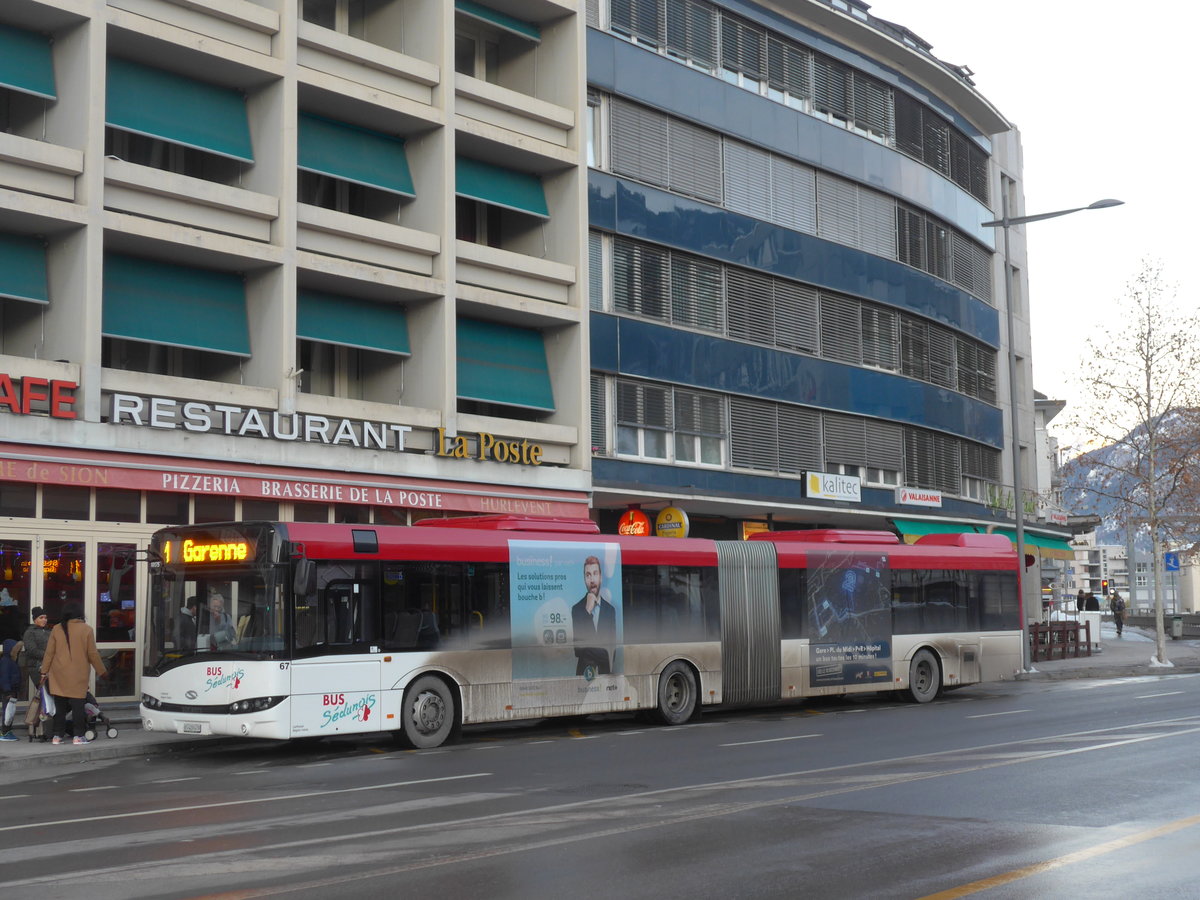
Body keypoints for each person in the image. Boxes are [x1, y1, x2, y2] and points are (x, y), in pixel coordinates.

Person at [39, 601, 106, 745]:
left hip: (59, 675)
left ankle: (57, 736)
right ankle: (78, 736)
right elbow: (92, 654)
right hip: (78, 675)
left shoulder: (57, 629)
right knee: (78, 708)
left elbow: (49, 653)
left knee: (60, 708)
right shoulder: (86, 630)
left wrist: (44, 672)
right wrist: (102, 671)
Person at [571, 556, 617, 676]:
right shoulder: (577, 610)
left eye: (595, 573)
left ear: (601, 577)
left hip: (605, 675)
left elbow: (612, 652)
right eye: (588, 575)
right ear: (584, 579)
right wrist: (587, 612)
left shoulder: (610, 610)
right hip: (584, 677)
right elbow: (578, 649)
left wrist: (590, 649)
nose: (592, 580)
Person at [20, 607, 50, 698]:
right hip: (36, 667)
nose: (44, 620)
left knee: (52, 695)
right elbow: (32, 650)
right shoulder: (30, 632)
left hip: (50, 666)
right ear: (35, 619)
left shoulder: (49, 631)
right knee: (46, 693)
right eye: (41, 618)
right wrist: (49, 656)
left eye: (45, 617)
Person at [0, 638, 21, 741]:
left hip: (12, 690)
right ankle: (5, 732)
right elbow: (4, 677)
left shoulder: (11, 661)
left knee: (10, 711)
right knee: (7, 711)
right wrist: (8, 691)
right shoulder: (6, 661)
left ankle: (8, 731)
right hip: (8, 691)